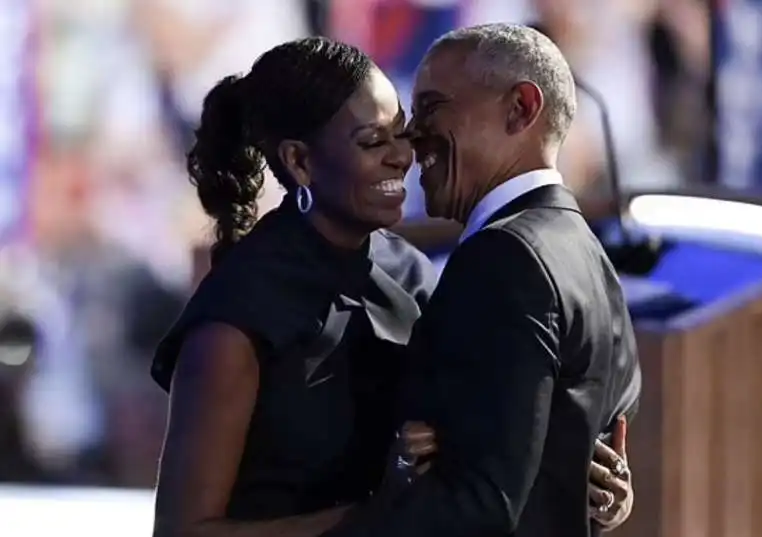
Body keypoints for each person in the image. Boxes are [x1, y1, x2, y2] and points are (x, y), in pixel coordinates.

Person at [150, 36, 633, 537]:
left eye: (402, 133)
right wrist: (382, 513)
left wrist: (583, 483)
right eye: (372, 142)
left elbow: (482, 448)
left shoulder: (414, 273)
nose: (403, 156)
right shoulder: (235, 318)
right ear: (299, 162)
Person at [320, 24, 641, 537]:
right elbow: (555, 483)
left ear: (520, 109)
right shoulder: (588, 253)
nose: (411, 136)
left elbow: (482, 509)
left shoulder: (506, 257)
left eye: (430, 108)